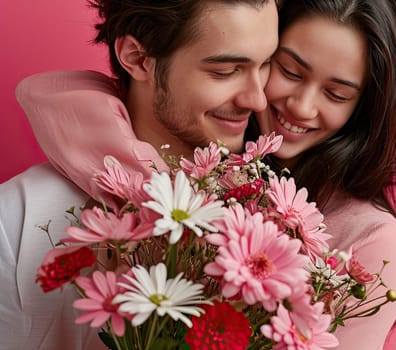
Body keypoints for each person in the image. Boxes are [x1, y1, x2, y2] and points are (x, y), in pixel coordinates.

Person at [21, 0, 396, 348]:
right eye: (285, 69)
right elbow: (74, 113)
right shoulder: (211, 158)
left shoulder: (374, 244)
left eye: (337, 94)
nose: (302, 107)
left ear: (365, 107)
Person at [0, 1, 279, 349]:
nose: (258, 100)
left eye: (266, 64)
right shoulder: (17, 220)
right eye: (225, 71)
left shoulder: (271, 210)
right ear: (137, 58)